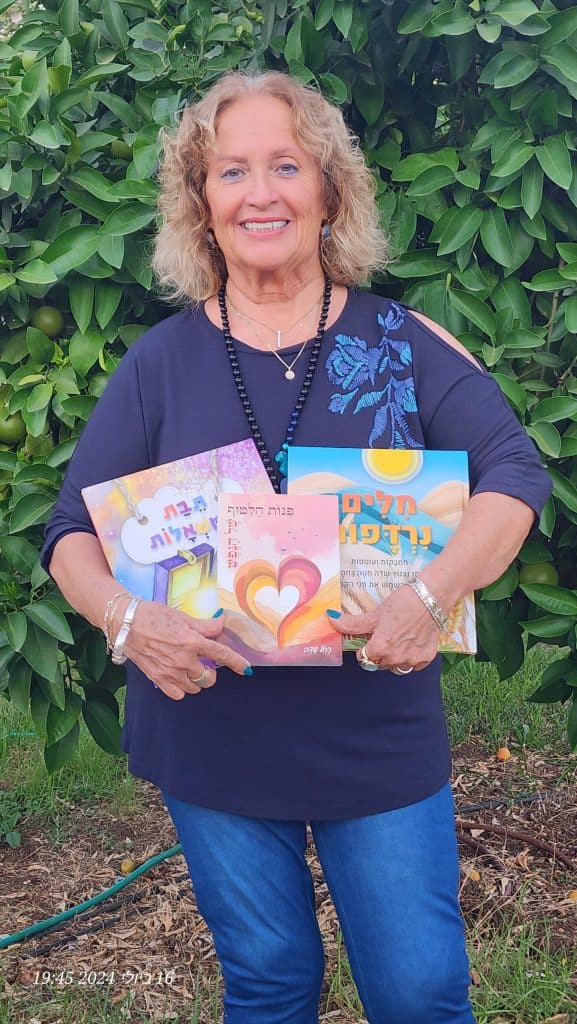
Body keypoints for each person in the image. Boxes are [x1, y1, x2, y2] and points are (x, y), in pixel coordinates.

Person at [41, 70, 551, 1024]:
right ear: (201, 203)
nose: (259, 193)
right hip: (213, 735)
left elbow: (514, 473)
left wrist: (431, 595)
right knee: (268, 983)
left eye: (286, 165)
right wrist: (129, 622)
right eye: (231, 171)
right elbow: (70, 532)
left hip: (374, 727)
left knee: (419, 992)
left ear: (328, 190)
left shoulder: (401, 341)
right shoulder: (158, 364)